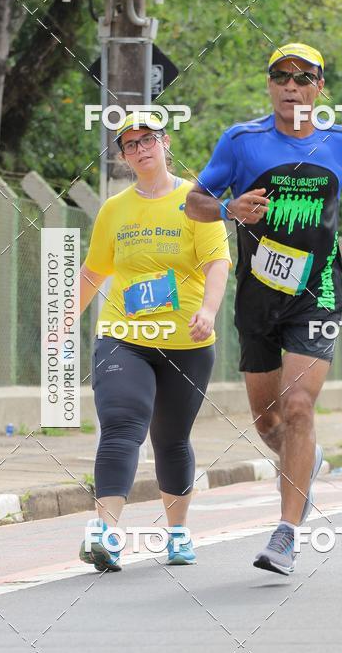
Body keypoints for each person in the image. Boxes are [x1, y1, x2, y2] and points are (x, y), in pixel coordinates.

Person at [185, 43, 342, 575]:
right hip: (257, 297)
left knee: (298, 408)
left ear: (321, 86)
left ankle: (287, 534)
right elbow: (194, 201)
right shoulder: (242, 141)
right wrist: (228, 207)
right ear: (270, 84)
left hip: (317, 293)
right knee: (269, 420)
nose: (291, 86)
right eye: (281, 76)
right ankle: (304, 460)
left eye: (303, 78)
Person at [77, 112, 231, 571]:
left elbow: (217, 263)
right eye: (130, 144)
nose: (140, 148)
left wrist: (208, 310)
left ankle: (178, 532)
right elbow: (93, 271)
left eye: (148, 140)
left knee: (171, 439)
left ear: (164, 144)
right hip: (124, 335)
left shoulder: (196, 200)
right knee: (122, 425)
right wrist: (63, 320)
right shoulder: (114, 209)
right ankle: (105, 531)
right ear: (123, 156)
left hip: (187, 339)